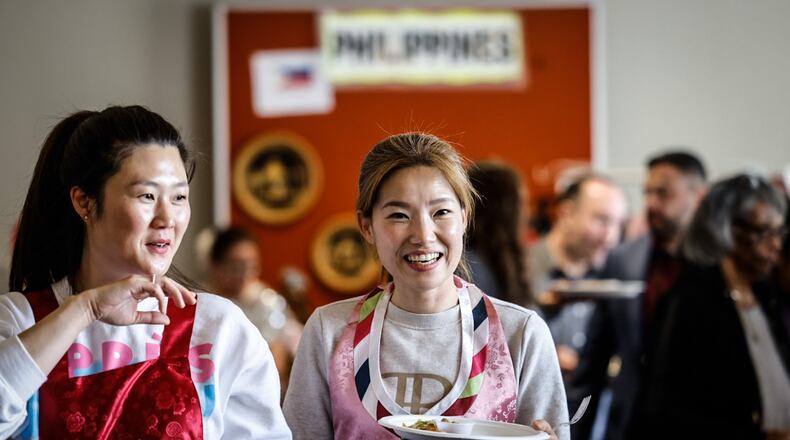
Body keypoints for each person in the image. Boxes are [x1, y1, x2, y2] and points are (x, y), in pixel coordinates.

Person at [0, 106, 291, 439]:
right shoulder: (19, 320)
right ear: (84, 202)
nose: (167, 218)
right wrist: (85, 309)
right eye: (147, 195)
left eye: (179, 197)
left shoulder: (219, 329)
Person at [283, 133, 568, 439]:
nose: (423, 234)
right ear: (367, 227)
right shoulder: (329, 331)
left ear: (464, 217)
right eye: (398, 215)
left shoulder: (521, 334)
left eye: (441, 212)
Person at [567, 151, 706, 440]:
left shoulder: (714, 266)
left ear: (698, 197)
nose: (652, 203)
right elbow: (593, 363)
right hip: (630, 423)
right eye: (648, 192)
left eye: (663, 193)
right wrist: (573, 430)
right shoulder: (622, 260)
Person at [638, 174, 790, 439]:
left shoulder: (768, 297)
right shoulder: (689, 301)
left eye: (778, 232)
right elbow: (665, 411)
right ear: (724, 229)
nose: (775, 244)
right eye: (763, 232)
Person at [528, 175, 627, 377]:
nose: (611, 237)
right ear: (566, 213)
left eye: (618, 224)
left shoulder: (615, 275)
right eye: (602, 220)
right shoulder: (521, 270)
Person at [209, 226, 303, 396]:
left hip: (257, 389)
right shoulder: (206, 302)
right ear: (216, 265)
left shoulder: (267, 302)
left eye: (251, 266)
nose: (244, 274)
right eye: (236, 266)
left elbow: (276, 360)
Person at [466, 160, 533, 307]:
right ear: (503, 210)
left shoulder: (496, 262)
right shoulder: (472, 270)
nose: (528, 213)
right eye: (522, 203)